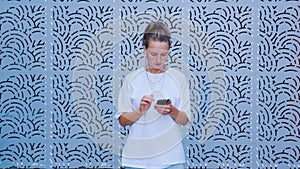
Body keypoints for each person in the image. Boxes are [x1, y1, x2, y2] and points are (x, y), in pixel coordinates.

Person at [117, 22, 191, 169]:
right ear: (145, 49)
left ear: (169, 50)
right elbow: (123, 121)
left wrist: (171, 110)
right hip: (136, 160)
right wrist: (140, 111)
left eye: (163, 54)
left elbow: (185, 120)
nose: (158, 60)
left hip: (171, 159)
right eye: (153, 54)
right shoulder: (132, 79)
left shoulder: (178, 78)